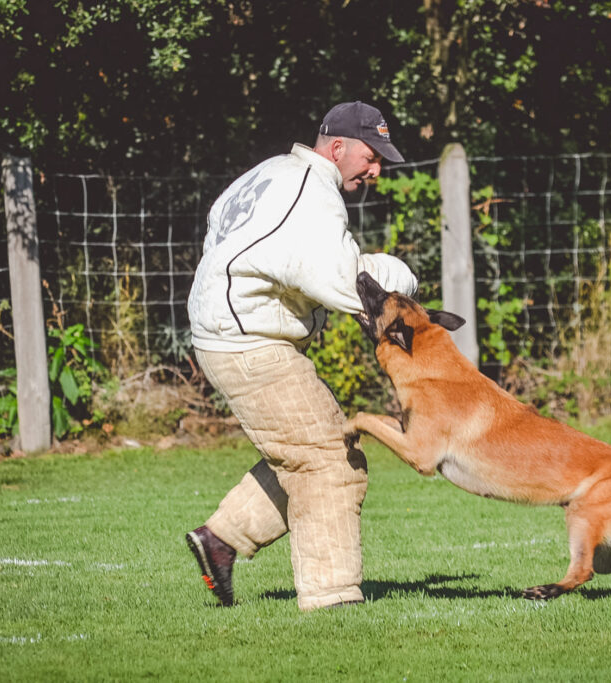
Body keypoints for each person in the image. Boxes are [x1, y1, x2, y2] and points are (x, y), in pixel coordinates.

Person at [184, 101, 418, 610]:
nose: (376, 170)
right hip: (250, 341)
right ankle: (332, 598)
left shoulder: (269, 172)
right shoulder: (312, 192)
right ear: (338, 147)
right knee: (329, 463)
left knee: (303, 452)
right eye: (371, 156)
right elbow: (344, 284)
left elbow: (218, 227)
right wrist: (400, 278)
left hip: (224, 333)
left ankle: (220, 541)